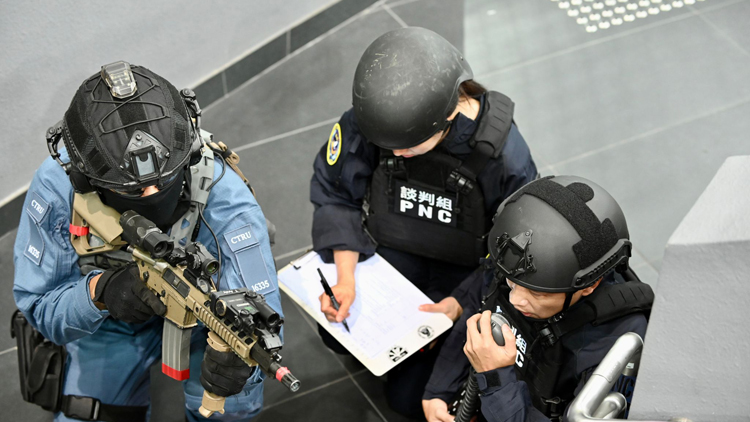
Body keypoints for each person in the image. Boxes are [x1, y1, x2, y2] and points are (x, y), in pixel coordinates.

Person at [13, 61, 282, 422]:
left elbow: (262, 310)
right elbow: (39, 305)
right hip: (113, 323)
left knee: (233, 405)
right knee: (88, 415)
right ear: (85, 178)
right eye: (133, 190)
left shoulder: (223, 193)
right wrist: (99, 293)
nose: (153, 196)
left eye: (165, 179)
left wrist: (241, 365)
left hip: (205, 319)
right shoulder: (59, 187)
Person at [310, 27, 537, 417]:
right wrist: (345, 278)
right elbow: (336, 192)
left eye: (408, 145)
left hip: (467, 275)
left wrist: (458, 307)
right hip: (396, 251)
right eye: (389, 145)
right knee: (336, 333)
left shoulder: (504, 156)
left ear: (448, 116)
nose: (397, 152)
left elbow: (513, 252)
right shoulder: (376, 122)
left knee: (406, 401)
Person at [421, 175, 654, 422]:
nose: (515, 300)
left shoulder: (615, 345)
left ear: (589, 285)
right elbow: (476, 304)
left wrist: (495, 379)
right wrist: (439, 391)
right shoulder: (516, 265)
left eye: (537, 293)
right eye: (512, 283)